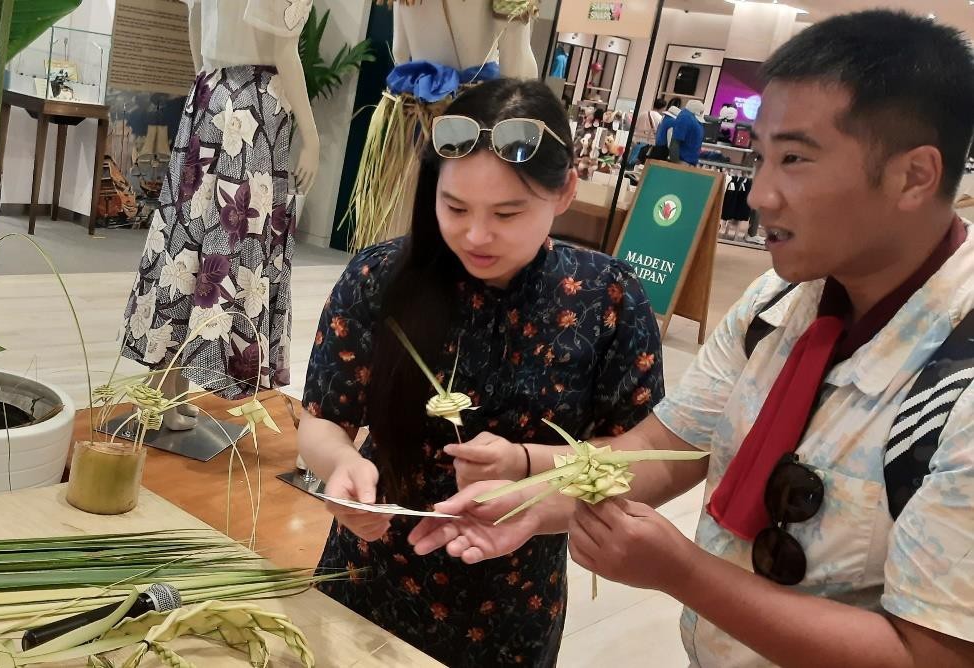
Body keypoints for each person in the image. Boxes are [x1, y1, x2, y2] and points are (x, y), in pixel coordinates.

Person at [411, 10, 974, 667]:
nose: (760, 193)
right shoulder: (780, 302)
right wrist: (535, 490)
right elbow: (660, 449)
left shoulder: (954, 382)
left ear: (913, 176)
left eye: (794, 159)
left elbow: (934, 655)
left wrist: (683, 573)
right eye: (759, 156)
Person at [299, 79, 666, 668]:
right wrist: (343, 468)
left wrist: (527, 464)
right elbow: (320, 423)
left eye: (507, 212)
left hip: (513, 604)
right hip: (365, 581)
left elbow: (642, 455)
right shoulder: (380, 278)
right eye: (455, 207)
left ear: (566, 190)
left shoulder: (608, 300)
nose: (476, 235)